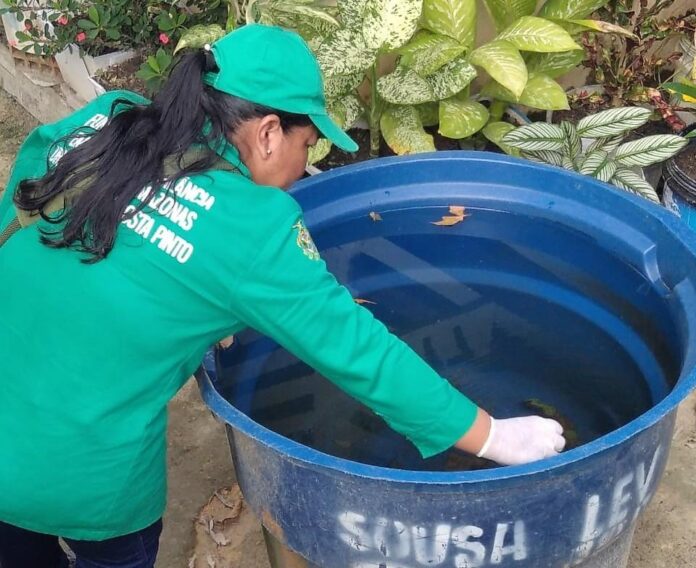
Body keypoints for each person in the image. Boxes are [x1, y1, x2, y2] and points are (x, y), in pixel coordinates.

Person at [0, 24, 565, 568]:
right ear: (269, 132)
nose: (306, 166)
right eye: (309, 144)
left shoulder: (111, 118)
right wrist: (493, 436)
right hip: (82, 472)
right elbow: (360, 351)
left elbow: (26, 192)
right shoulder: (250, 227)